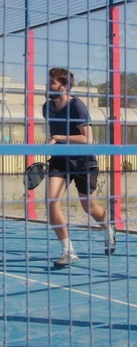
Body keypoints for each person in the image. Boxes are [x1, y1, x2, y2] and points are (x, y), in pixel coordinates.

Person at [43, 68, 116, 268]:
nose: (48, 86)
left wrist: (58, 138)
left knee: (88, 206)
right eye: (48, 82)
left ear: (64, 87)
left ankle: (108, 228)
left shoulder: (77, 106)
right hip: (60, 161)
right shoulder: (46, 107)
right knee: (51, 202)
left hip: (84, 162)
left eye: (52, 83)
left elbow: (87, 139)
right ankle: (68, 251)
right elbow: (53, 131)